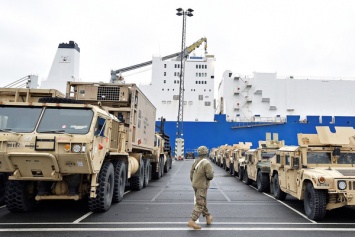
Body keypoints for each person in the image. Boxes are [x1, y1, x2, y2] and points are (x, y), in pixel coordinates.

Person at [188, 146, 214, 230]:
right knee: (200, 204)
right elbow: (210, 176)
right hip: (202, 186)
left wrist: (194, 182)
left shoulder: (196, 162)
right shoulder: (206, 163)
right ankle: (192, 220)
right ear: (206, 152)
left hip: (195, 185)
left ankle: (208, 217)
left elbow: (191, 173)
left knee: (202, 201)